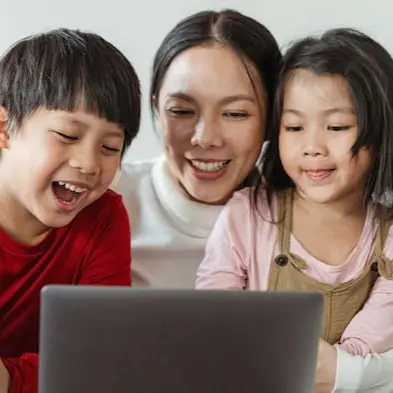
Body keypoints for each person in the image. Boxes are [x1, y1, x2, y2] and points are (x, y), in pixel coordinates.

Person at [196, 28, 393, 392]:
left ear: (379, 134)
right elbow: (213, 313)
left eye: (336, 126)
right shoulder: (247, 214)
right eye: (294, 126)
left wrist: (331, 369)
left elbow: (369, 341)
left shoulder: (389, 233)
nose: (312, 146)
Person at [0, 28, 141, 393]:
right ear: (4, 129)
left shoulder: (104, 219)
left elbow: (99, 361)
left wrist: (10, 379)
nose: (89, 163)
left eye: (110, 147)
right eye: (67, 135)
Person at [112, 9, 281, 288]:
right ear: (156, 108)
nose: (205, 138)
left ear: (272, 119)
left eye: (235, 114)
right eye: (181, 110)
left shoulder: (308, 221)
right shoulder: (101, 202)